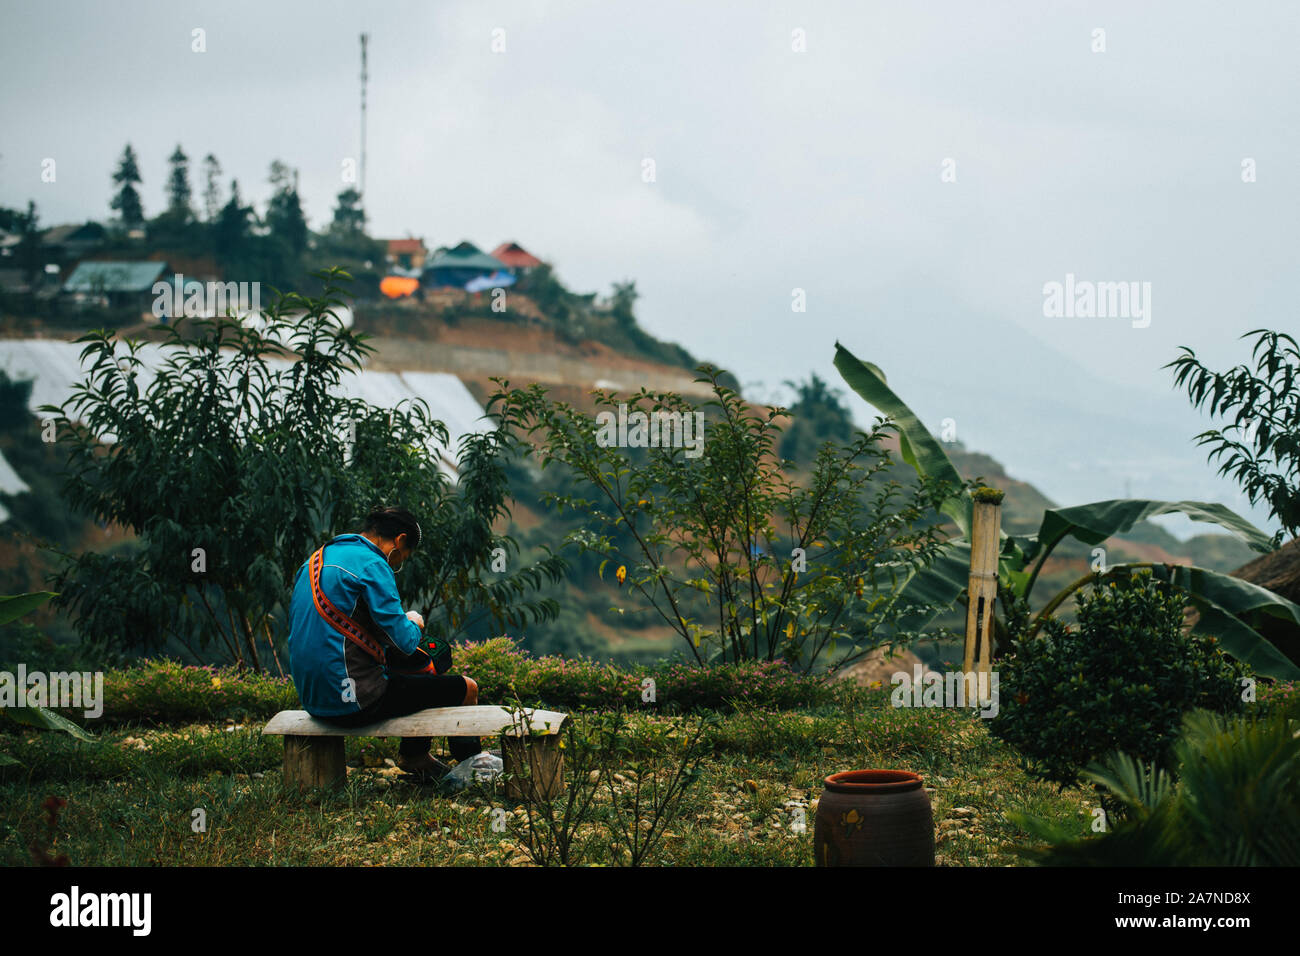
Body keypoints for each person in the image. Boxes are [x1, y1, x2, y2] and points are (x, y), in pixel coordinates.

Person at [287, 506, 481, 780]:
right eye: (402, 558)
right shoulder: (373, 564)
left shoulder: (313, 562)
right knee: (465, 687)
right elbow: (404, 642)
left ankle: (418, 756)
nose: (396, 564)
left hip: (314, 699)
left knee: (415, 673)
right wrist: (414, 621)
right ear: (400, 541)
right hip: (353, 703)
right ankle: (471, 769)